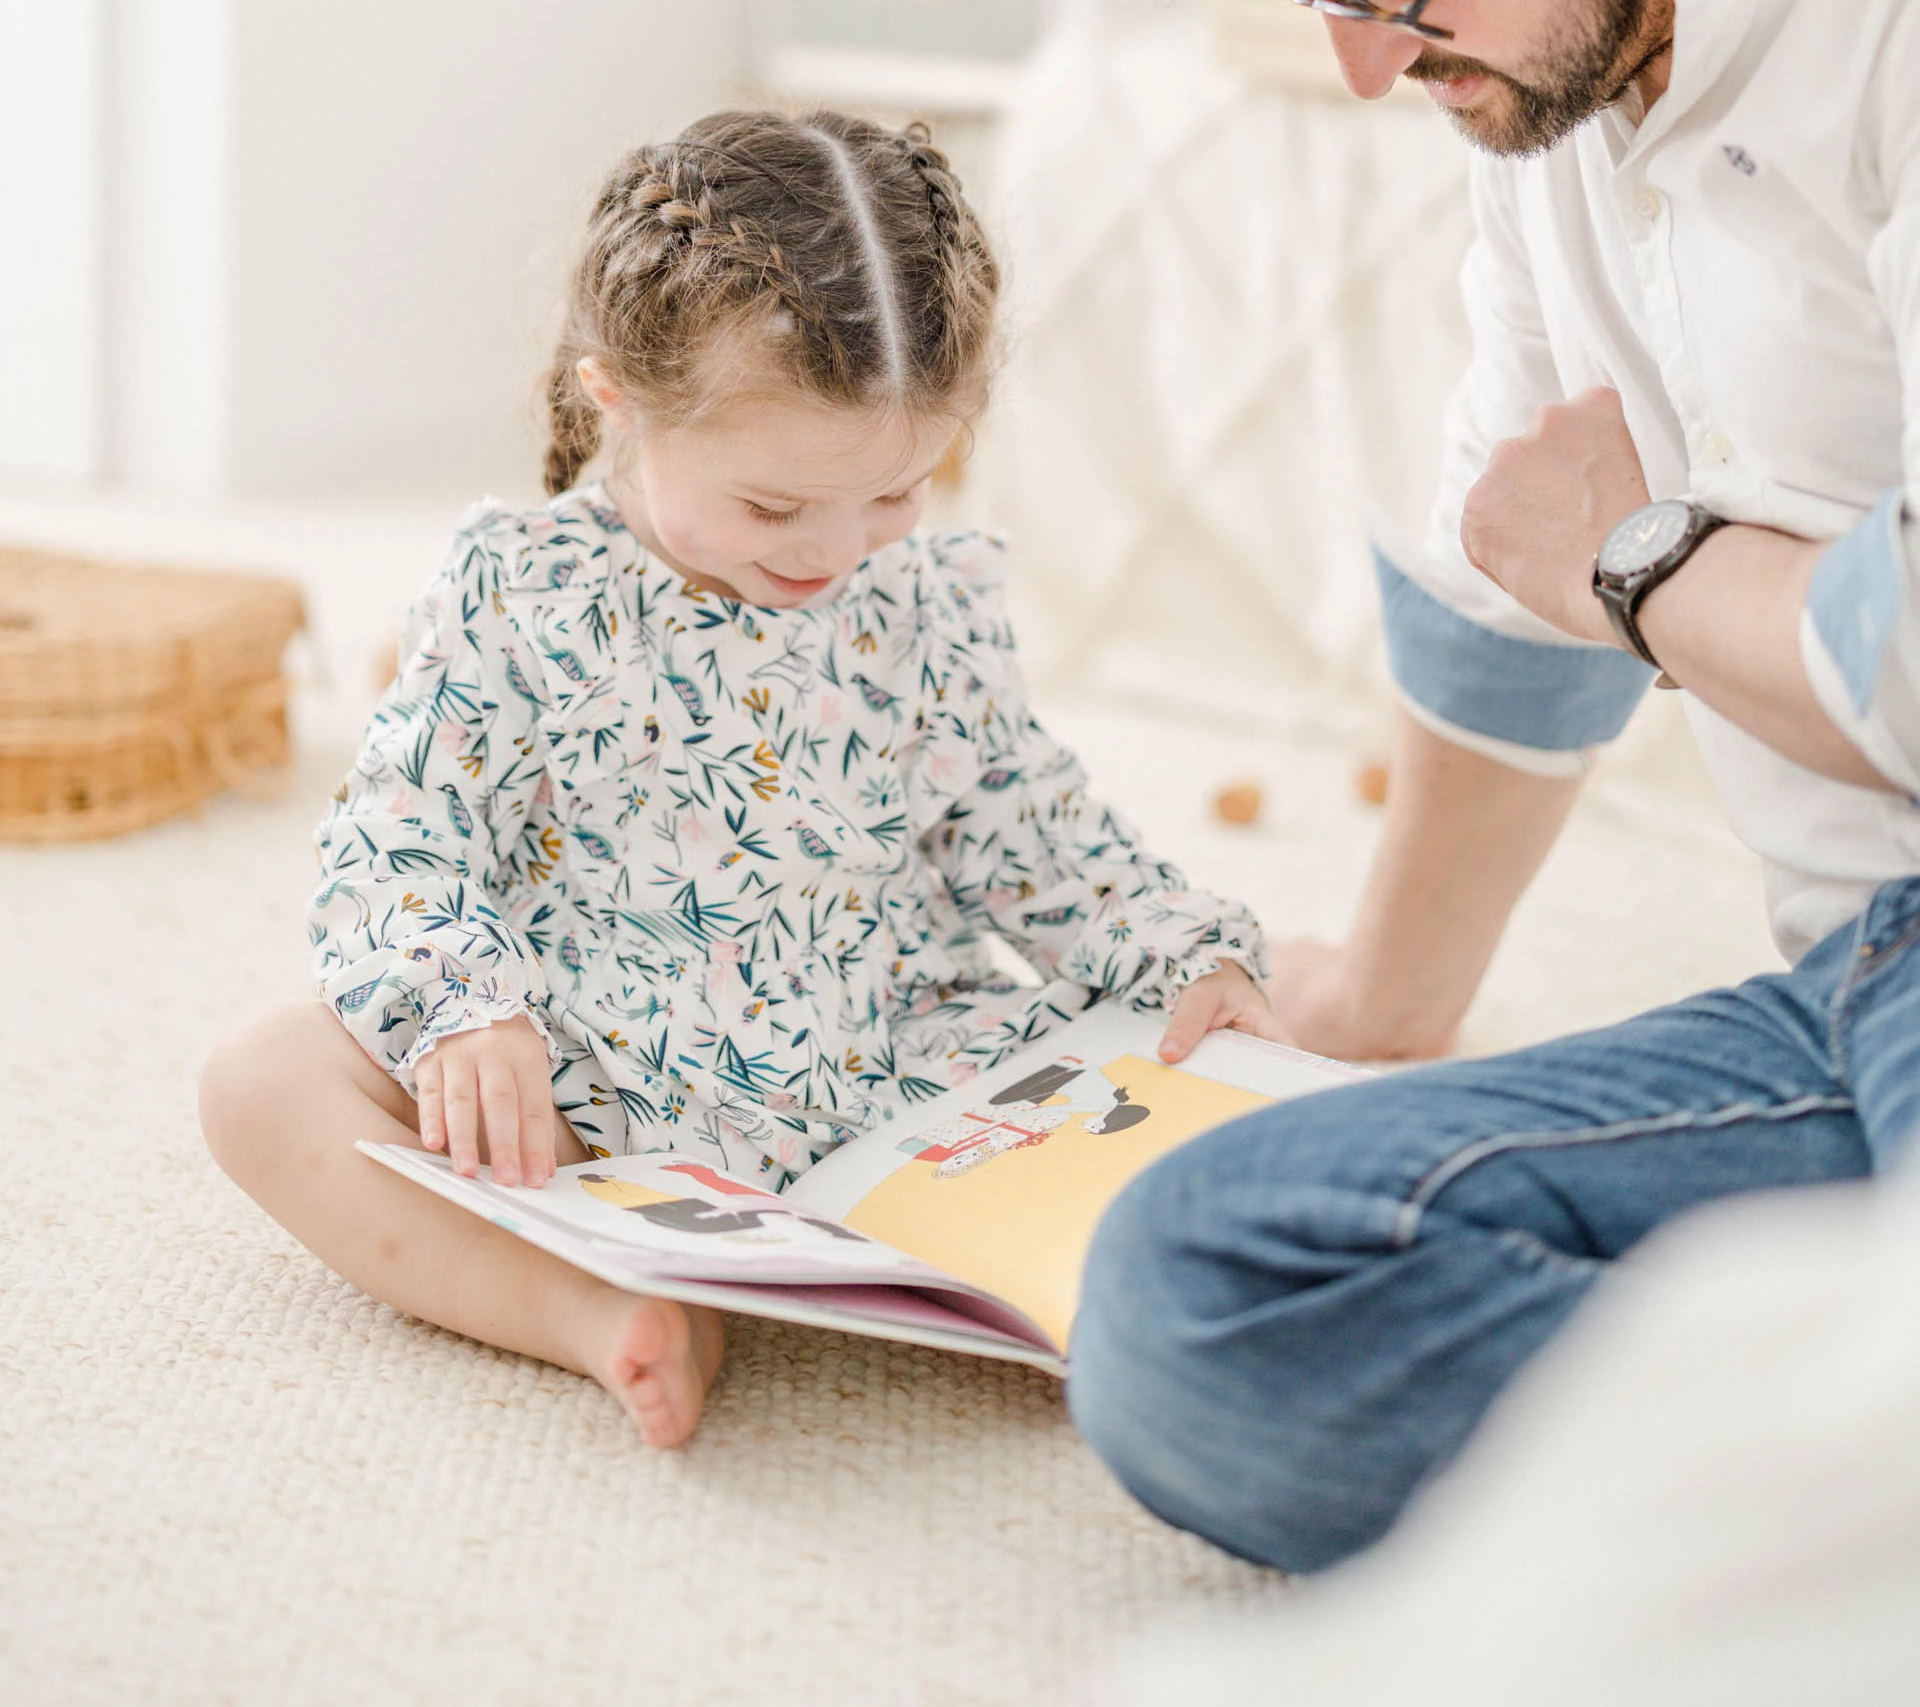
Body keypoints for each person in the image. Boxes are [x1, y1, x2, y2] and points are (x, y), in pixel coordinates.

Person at [1067, 0, 1920, 1570]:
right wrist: (1379, 996)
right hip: (1865, 986)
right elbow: (1497, 581)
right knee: (1202, 1299)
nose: (1362, 70)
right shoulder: (1562, 60)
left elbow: (1581, 560)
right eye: (1306, 3)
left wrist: (1654, 567)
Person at [200, 108, 1279, 1449]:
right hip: (591, 1090)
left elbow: (1029, 826)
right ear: (618, 399)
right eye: (776, 509)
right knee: (260, 1077)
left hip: (888, 1072)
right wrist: (464, 1013)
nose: (840, 547)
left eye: (896, 492)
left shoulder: (918, 600)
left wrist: (1175, 950)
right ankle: (590, 1310)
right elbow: (398, 844)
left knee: (1218, 1090)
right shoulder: (518, 591)